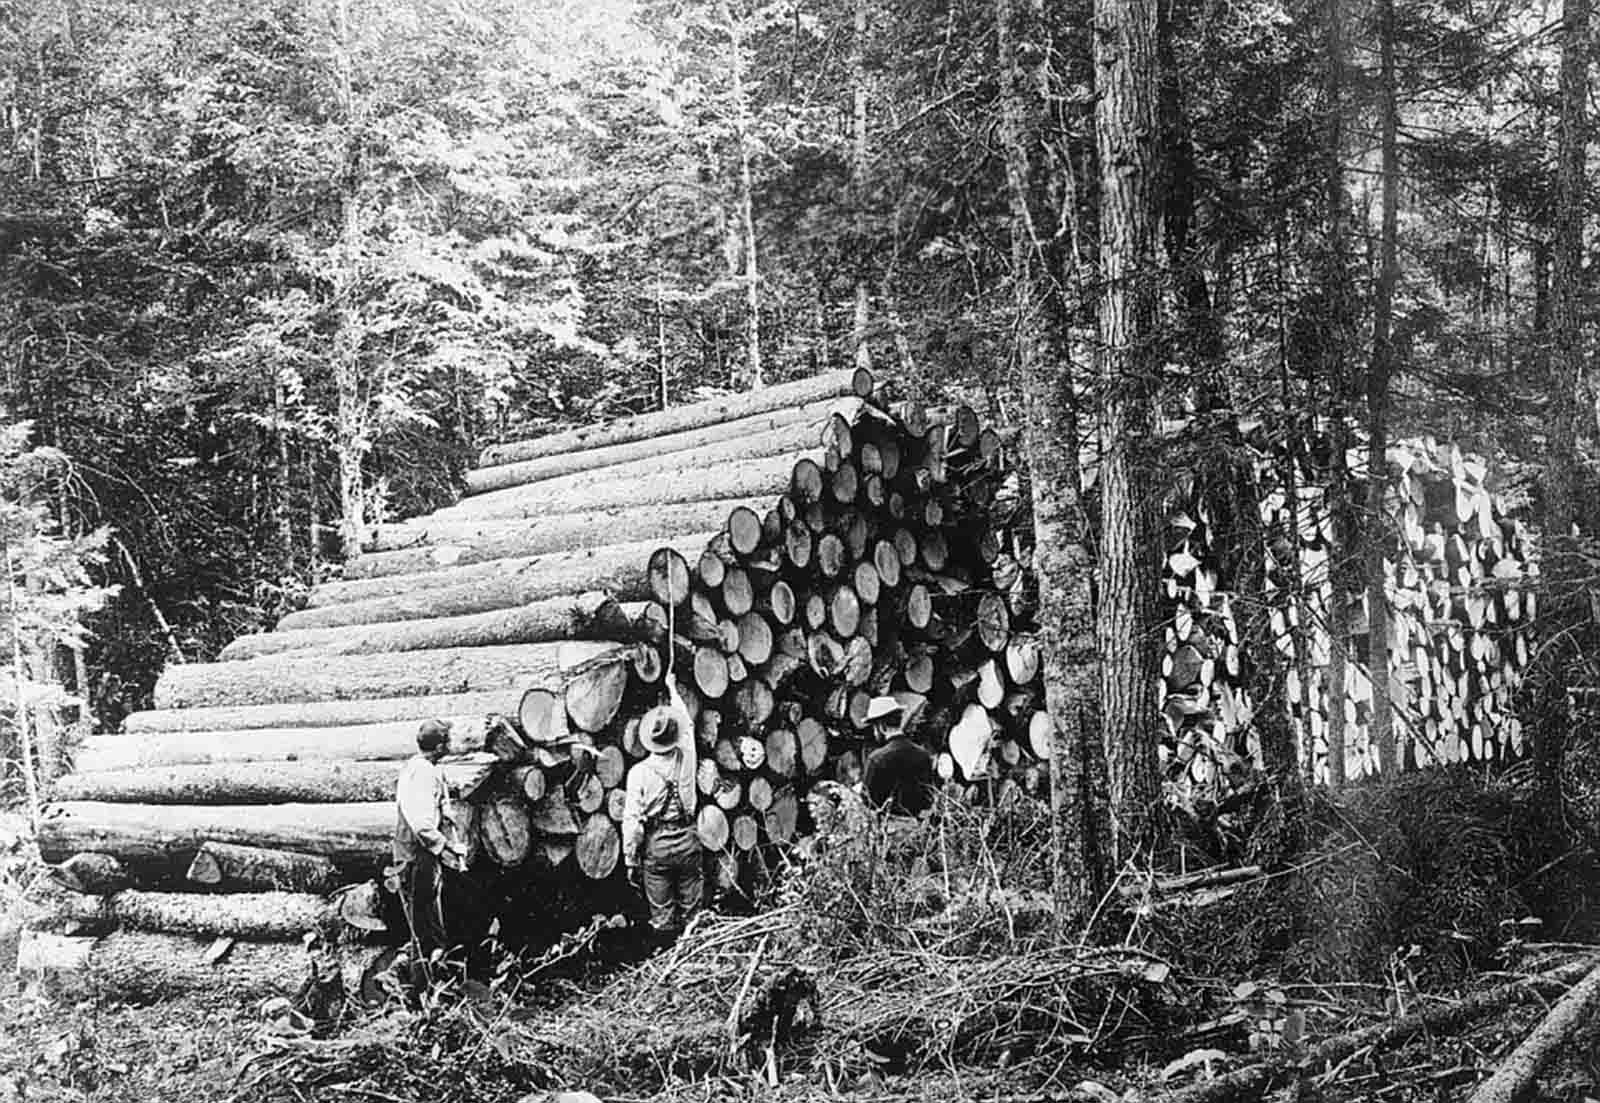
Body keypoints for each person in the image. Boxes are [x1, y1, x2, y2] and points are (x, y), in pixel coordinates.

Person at [622, 683, 702, 936]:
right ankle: (696, 955)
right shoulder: (688, 756)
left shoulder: (639, 773)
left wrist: (630, 860)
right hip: (689, 841)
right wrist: (672, 689)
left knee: (662, 915)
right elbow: (687, 725)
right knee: (694, 915)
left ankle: (669, 958)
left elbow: (632, 823)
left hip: (657, 847)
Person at [392, 718, 466, 975]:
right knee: (423, 926)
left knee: (430, 920)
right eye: (447, 740)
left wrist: (445, 811)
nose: (450, 744)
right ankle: (418, 990)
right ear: (439, 746)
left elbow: (434, 801)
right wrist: (447, 847)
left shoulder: (425, 766)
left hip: (419, 853)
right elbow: (421, 824)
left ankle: (433, 984)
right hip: (415, 854)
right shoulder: (421, 772)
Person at [860, 695, 936, 818]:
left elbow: (868, 803)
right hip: (918, 827)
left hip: (889, 828)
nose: (874, 733)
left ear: (881, 726)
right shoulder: (923, 754)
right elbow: (928, 797)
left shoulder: (877, 759)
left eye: (874, 728)